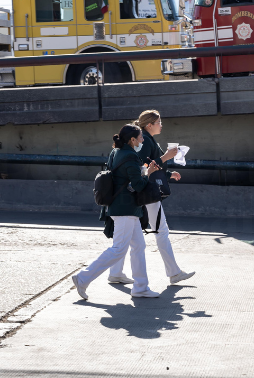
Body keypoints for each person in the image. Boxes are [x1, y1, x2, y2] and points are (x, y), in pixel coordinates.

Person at [72, 124, 161, 300]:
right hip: (125, 208)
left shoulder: (116, 152)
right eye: (141, 137)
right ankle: (83, 278)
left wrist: (143, 171)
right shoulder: (131, 156)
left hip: (122, 207)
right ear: (132, 140)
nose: (143, 140)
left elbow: (124, 176)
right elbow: (138, 185)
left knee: (138, 246)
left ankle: (141, 287)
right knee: (119, 249)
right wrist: (148, 173)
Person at [108, 110, 196, 286]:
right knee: (161, 230)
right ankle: (174, 273)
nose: (161, 125)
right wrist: (167, 157)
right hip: (146, 190)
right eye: (159, 122)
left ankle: (116, 272)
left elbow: (149, 164)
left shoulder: (146, 138)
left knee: (128, 234)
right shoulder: (145, 140)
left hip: (143, 189)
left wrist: (169, 173)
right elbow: (143, 165)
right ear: (149, 125)